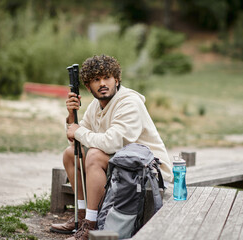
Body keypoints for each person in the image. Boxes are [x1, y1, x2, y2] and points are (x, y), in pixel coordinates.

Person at [50, 55, 173, 240]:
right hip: (122, 168)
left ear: (116, 79)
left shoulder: (129, 102)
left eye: (107, 78)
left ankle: (92, 226)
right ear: (88, 86)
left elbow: (112, 142)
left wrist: (78, 132)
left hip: (149, 174)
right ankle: (82, 217)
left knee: (94, 155)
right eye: (96, 80)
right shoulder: (95, 106)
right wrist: (70, 117)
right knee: (70, 155)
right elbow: (76, 144)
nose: (102, 84)